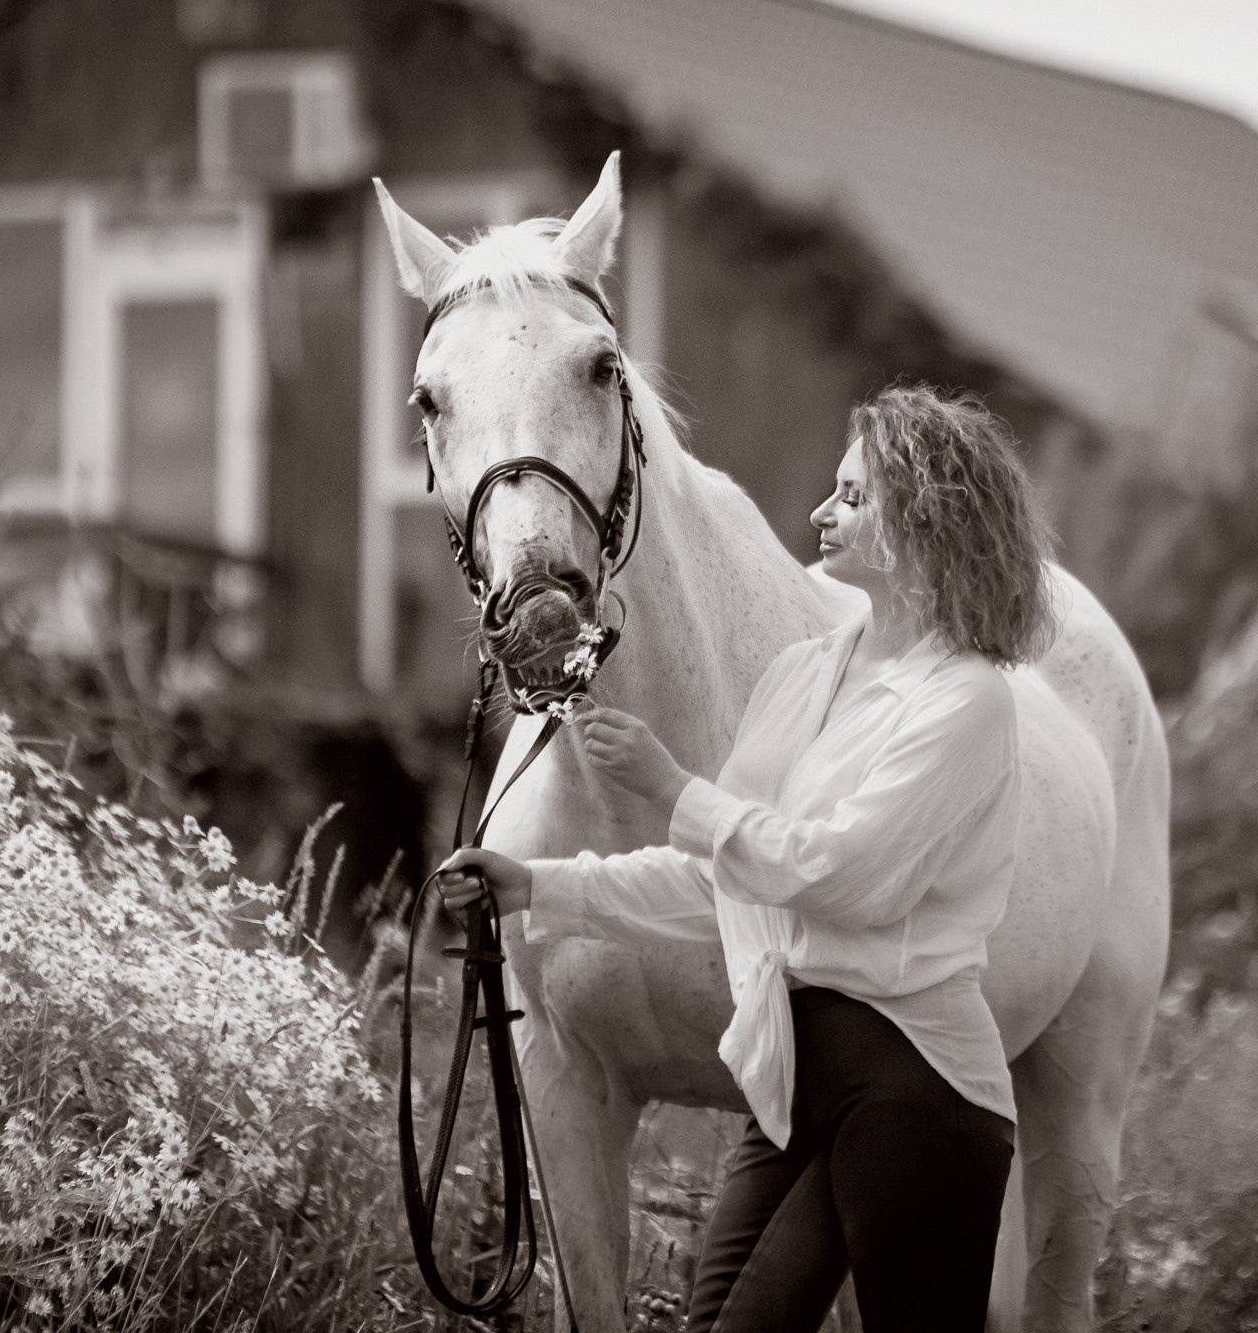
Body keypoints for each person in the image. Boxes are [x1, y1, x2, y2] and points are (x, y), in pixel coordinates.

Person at [438, 384, 1054, 1333]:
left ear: (924, 520)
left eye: (853, 496)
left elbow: (841, 876)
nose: (820, 511)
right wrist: (538, 886)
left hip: (915, 1082)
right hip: (796, 1074)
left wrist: (672, 786)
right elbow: (735, 877)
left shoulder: (965, 704)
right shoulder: (805, 673)